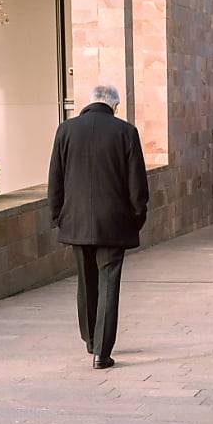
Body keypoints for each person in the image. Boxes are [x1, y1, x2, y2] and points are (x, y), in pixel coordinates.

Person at [48, 85, 149, 370]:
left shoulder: (66, 130)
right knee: (108, 285)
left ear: (89, 102)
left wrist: (58, 216)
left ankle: (91, 339)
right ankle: (102, 353)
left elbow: (55, 178)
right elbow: (137, 183)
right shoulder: (126, 132)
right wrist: (137, 217)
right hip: (115, 223)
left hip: (76, 221)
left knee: (86, 283)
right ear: (114, 106)